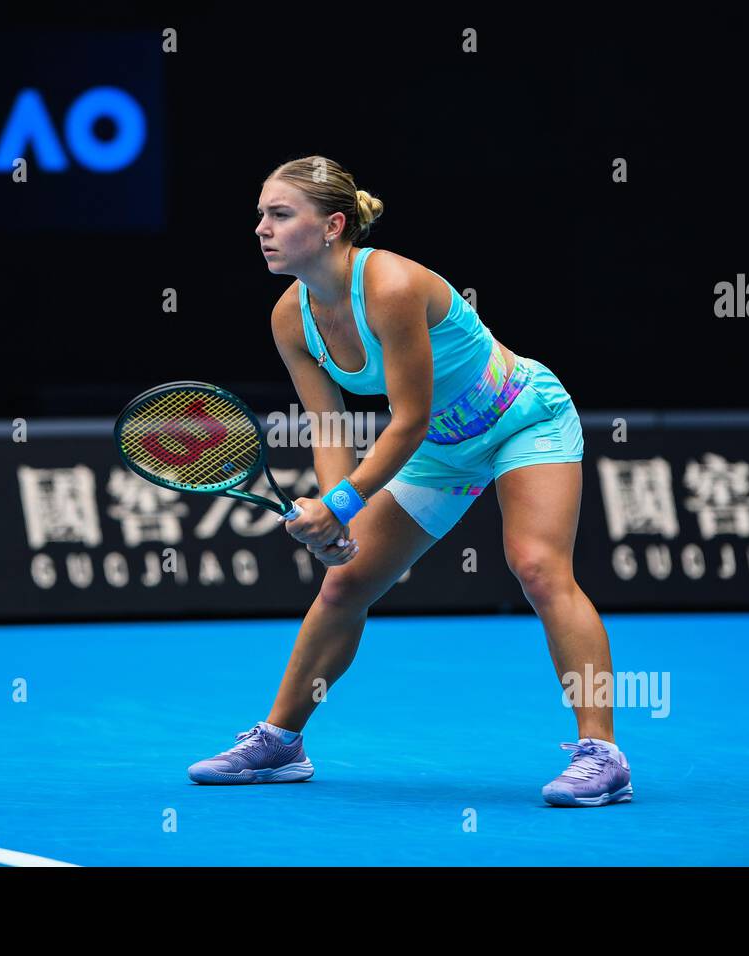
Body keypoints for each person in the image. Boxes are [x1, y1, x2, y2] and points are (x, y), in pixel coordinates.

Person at [187, 156, 631, 807]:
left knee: (537, 567)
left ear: (333, 225)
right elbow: (329, 427)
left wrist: (339, 502)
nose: (262, 228)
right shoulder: (291, 318)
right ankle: (281, 742)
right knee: (346, 581)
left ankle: (603, 754)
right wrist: (335, 517)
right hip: (443, 451)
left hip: (520, 418)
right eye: (260, 214)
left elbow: (409, 419)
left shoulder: (391, 286)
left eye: (280, 214)